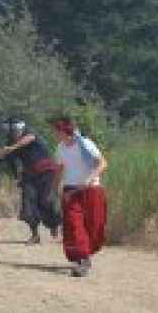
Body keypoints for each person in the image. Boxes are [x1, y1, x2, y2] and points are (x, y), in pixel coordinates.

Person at [51, 116, 108, 277]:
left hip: (92, 190)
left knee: (94, 227)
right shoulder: (60, 147)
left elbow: (103, 163)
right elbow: (59, 169)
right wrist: (55, 188)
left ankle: (86, 254)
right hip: (71, 191)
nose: (54, 134)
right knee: (73, 225)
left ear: (64, 131)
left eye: (56, 131)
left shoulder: (85, 144)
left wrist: (90, 179)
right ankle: (81, 260)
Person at [0, 117, 61, 244]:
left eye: (14, 130)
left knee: (46, 203)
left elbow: (30, 138)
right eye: (11, 131)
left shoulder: (29, 135)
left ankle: (53, 224)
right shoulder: (10, 142)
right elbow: (11, 160)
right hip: (29, 176)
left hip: (46, 173)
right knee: (28, 205)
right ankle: (35, 235)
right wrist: (15, 174)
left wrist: (13, 147)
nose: (13, 133)